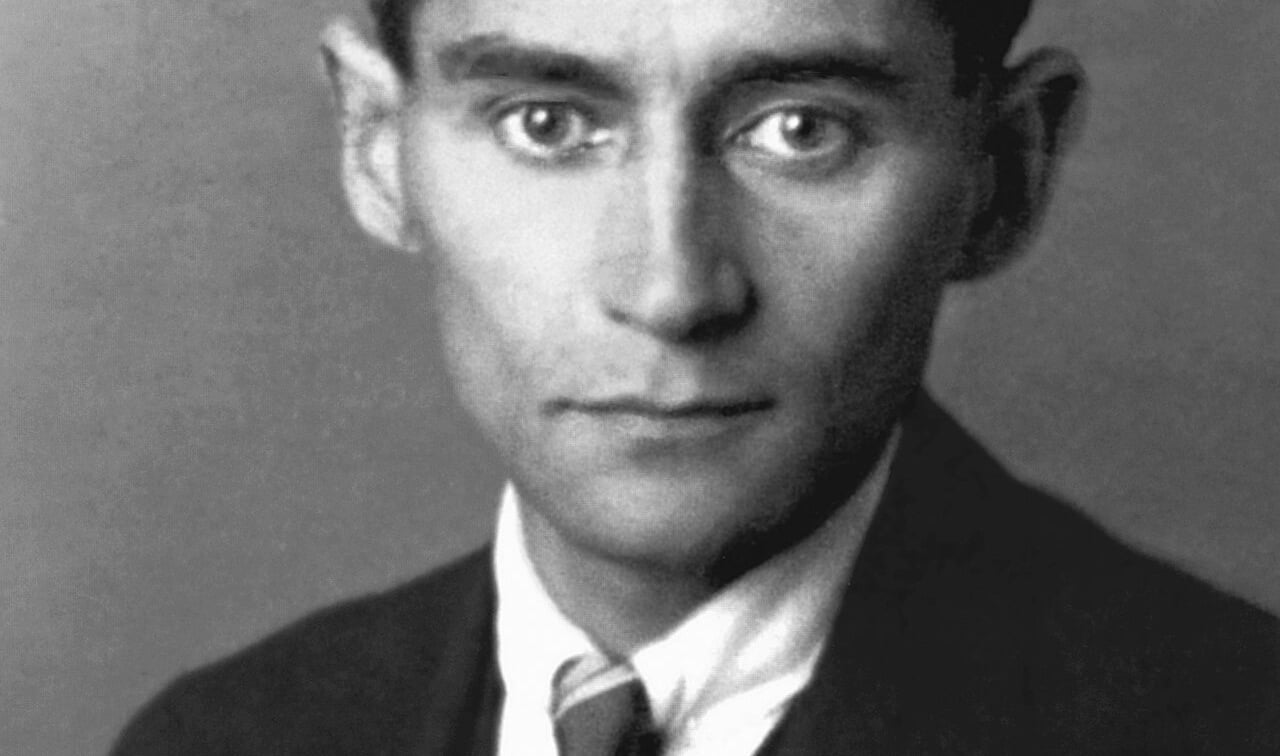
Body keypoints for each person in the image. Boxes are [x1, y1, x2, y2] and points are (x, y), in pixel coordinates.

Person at [111, 0, 1280, 753]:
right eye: (544, 125)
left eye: (801, 130)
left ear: (1002, 173)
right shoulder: (225, 738)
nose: (672, 291)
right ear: (375, 147)